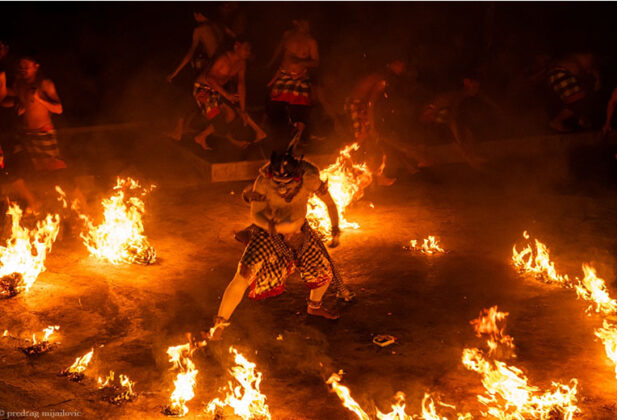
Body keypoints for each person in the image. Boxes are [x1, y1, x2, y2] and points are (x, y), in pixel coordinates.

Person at [207, 149, 343, 340]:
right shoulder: (263, 182)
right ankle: (219, 325)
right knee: (243, 274)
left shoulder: (310, 178)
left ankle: (315, 307)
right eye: (277, 183)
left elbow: (329, 204)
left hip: (300, 234)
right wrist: (274, 227)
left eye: (286, 184)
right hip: (268, 233)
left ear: (298, 177)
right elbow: (256, 214)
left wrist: (335, 229)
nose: (281, 189)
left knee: (323, 271)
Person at [193, 40, 266, 150]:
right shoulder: (224, 59)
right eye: (246, 49)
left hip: (217, 90)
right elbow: (210, 78)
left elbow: (241, 84)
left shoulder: (242, 63)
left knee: (232, 115)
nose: (248, 52)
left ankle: (259, 132)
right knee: (220, 119)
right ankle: (232, 140)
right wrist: (226, 95)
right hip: (203, 89)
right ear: (237, 46)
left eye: (249, 50)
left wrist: (242, 108)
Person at [167, 11, 224, 141]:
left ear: (199, 14)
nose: (194, 16)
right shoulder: (217, 27)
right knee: (198, 101)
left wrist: (175, 72)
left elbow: (190, 53)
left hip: (208, 71)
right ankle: (183, 128)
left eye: (195, 13)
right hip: (221, 68)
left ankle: (180, 131)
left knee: (188, 97)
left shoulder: (200, 29)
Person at [420, 77, 493, 167]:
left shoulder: (459, 97)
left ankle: (472, 158)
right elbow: (438, 108)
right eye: (474, 87)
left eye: (477, 88)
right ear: (466, 83)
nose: (475, 91)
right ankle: (471, 158)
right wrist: (430, 114)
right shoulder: (454, 94)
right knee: (459, 133)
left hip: (442, 118)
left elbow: (452, 115)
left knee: (465, 132)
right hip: (435, 121)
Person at [267, 18, 319, 138]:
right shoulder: (288, 35)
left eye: (307, 23)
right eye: (304, 23)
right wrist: (270, 63)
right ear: (296, 22)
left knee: (299, 107)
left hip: (300, 77)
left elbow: (316, 62)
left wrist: (302, 64)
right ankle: (280, 135)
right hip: (283, 74)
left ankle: (300, 135)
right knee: (276, 103)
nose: (307, 26)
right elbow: (279, 49)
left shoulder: (311, 42)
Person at [546, 52, 600, 132]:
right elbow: (581, 71)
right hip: (560, 73)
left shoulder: (581, 60)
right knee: (577, 100)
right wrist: (597, 79)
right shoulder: (586, 57)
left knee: (578, 99)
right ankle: (557, 121)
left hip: (558, 73)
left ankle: (582, 118)